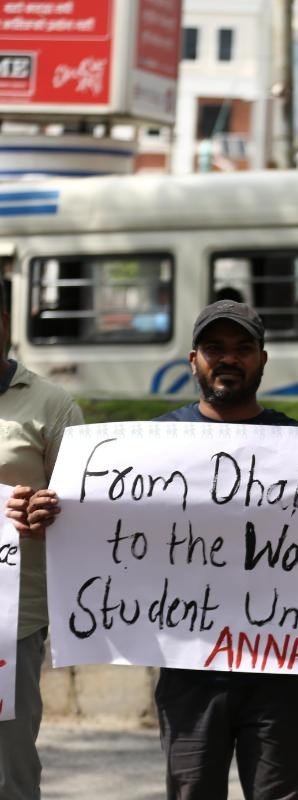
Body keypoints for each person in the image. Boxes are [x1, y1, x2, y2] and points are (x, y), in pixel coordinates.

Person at [29, 300, 298, 799]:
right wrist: (55, 515)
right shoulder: (147, 450)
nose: (228, 359)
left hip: (280, 672)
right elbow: (99, 525)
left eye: (243, 348)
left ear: (262, 360)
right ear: (193, 360)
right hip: (188, 671)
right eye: (214, 349)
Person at [0, 276, 84, 800]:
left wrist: (47, 509)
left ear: (4, 324)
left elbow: (89, 510)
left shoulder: (51, 405)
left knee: (8, 773)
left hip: (12, 624)